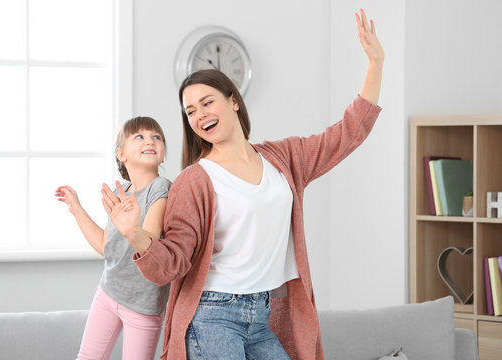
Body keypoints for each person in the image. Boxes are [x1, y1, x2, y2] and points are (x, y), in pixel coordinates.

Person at [101, 9, 384, 360]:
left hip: (262, 317)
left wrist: (375, 64)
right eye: (191, 111)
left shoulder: (285, 159)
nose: (200, 115)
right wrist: (135, 235)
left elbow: (345, 135)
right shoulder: (196, 180)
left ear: (233, 100)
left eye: (207, 102)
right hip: (212, 318)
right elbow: (174, 261)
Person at [55, 116, 172, 360]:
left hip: (143, 304)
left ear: (162, 155)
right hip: (108, 292)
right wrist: (77, 209)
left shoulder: (160, 187)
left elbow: (150, 246)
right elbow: (104, 246)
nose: (149, 140)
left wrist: (132, 228)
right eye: (139, 136)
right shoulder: (122, 193)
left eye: (156, 137)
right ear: (121, 153)